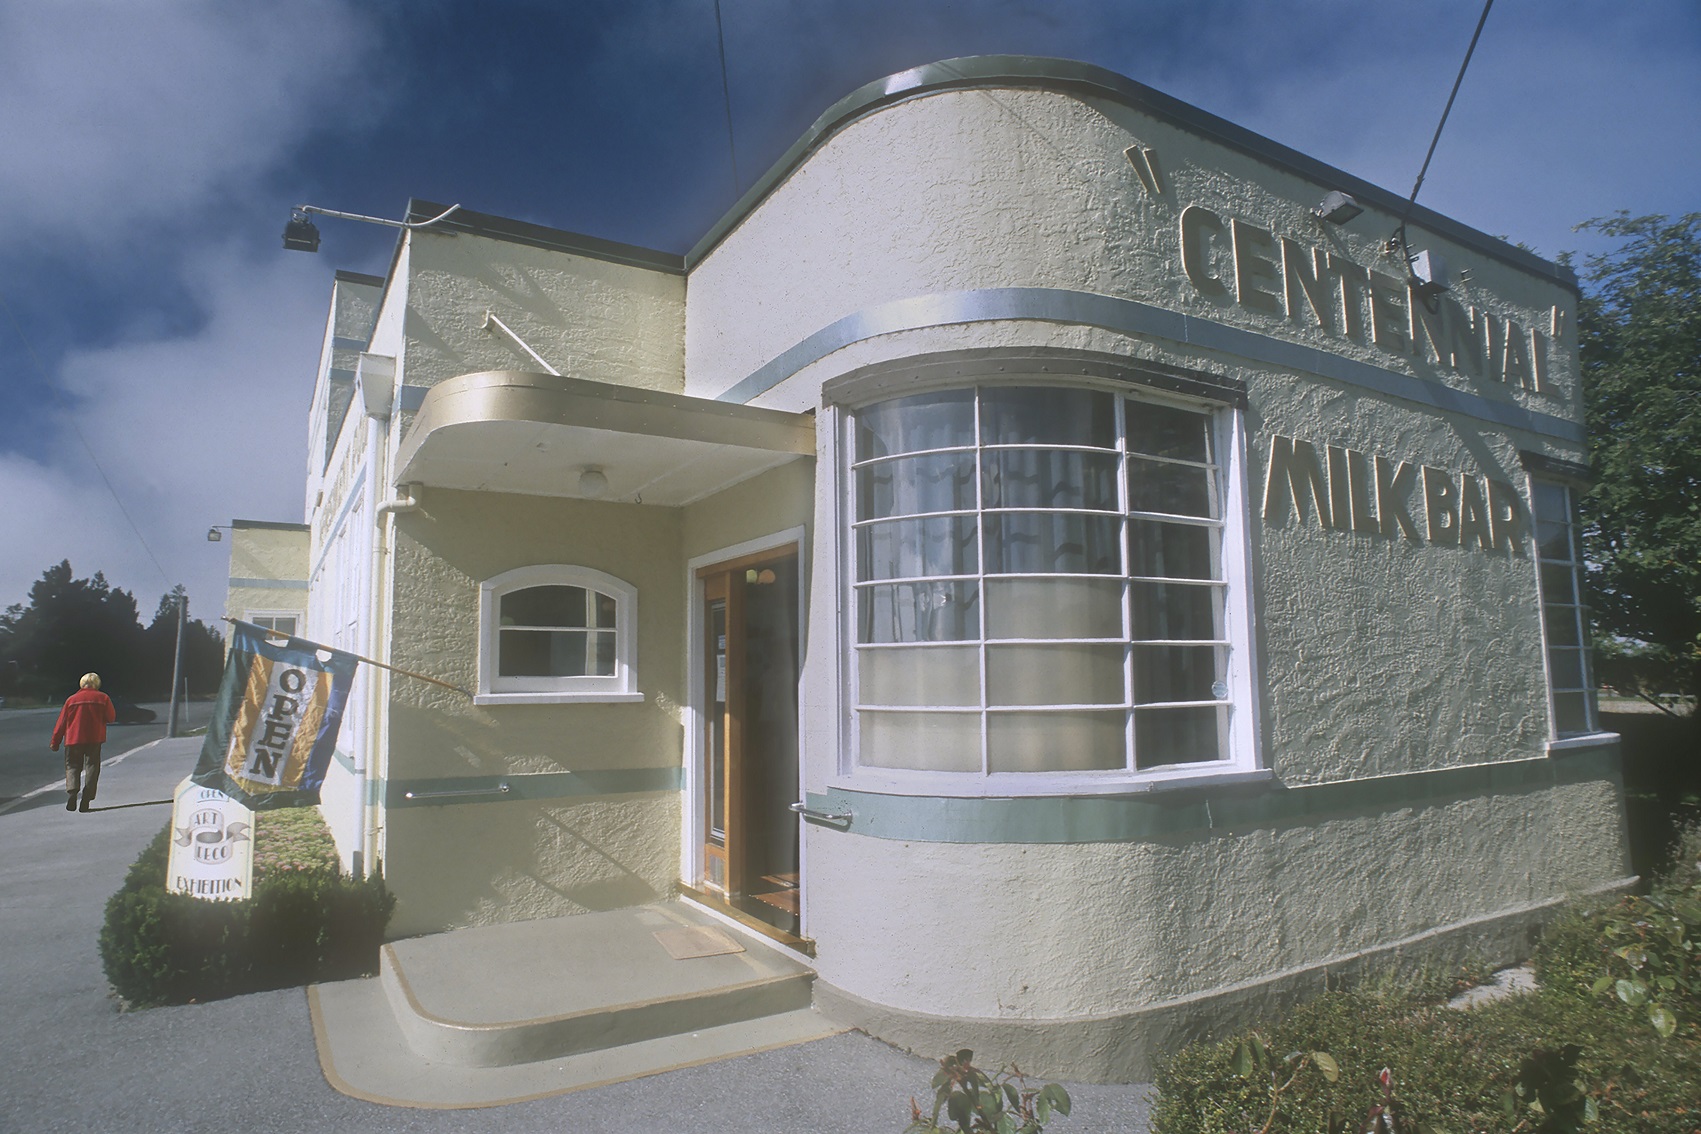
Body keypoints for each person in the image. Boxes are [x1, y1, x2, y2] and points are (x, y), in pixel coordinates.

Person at [50, 673, 116, 813]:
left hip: (73, 739)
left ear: (82, 683)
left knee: (72, 766)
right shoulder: (103, 698)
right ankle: (86, 799)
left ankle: (73, 793)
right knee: (92, 767)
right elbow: (111, 718)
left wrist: (55, 742)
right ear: (97, 684)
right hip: (94, 739)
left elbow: (61, 723)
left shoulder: (71, 700)